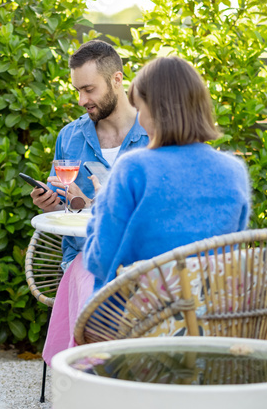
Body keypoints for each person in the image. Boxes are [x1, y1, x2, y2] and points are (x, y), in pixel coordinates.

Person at [83, 56, 251, 294]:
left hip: (140, 322)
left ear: (159, 109)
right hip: (215, 321)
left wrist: (100, 208)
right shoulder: (234, 171)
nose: (139, 119)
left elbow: (99, 261)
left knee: (75, 279)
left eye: (140, 109)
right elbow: (228, 255)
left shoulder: (133, 168)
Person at [31, 40, 149, 370]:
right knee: (91, 283)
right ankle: (93, 380)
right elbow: (67, 211)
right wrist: (50, 204)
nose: (82, 101)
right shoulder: (70, 136)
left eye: (89, 90)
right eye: (78, 91)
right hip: (84, 255)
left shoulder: (152, 134)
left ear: (117, 80)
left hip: (140, 258)